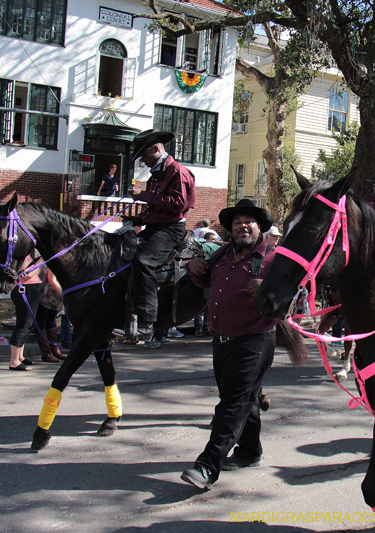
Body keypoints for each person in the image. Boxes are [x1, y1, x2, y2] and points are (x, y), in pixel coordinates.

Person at [182, 199, 278, 490]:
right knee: (243, 399)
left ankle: (207, 466)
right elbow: (206, 282)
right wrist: (194, 268)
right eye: (237, 222)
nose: (243, 226)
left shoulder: (273, 258)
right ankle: (249, 451)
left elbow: (295, 294)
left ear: (259, 228)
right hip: (222, 341)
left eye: (249, 222)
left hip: (254, 341)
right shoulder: (221, 254)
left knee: (232, 405)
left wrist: (268, 289)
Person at [128, 129, 196, 342]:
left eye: (144, 156)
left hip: (171, 230)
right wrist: (135, 220)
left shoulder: (178, 171)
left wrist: (143, 195)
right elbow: (155, 209)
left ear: (156, 149)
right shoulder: (155, 175)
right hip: (155, 228)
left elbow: (178, 205)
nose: (143, 162)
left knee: (144, 262)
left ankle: (147, 323)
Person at [8, 251, 44, 371]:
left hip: (32, 288)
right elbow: (26, 275)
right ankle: (14, 361)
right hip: (25, 290)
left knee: (27, 324)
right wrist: (39, 262)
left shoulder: (27, 256)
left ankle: (20, 356)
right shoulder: (20, 257)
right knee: (23, 324)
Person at [35, 267, 65, 362]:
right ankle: (46, 353)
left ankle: (55, 350)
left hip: (54, 294)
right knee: (41, 321)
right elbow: (52, 279)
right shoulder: (52, 261)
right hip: (46, 293)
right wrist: (65, 295)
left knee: (51, 320)